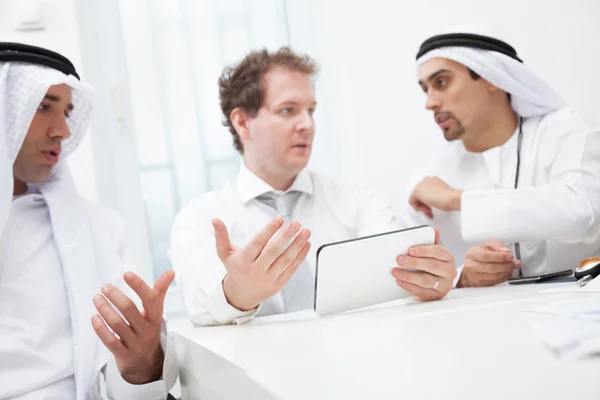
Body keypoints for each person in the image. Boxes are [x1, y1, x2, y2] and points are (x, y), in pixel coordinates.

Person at [169, 47, 457, 326]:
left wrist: (429, 279)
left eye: (311, 110)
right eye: (287, 110)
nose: (307, 124)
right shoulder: (200, 220)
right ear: (243, 122)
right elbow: (202, 310)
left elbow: (399, 284)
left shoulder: (360, 203)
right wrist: (239, 293)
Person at [0, 43, 177, 399]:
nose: (62, 131)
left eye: (68, 112)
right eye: (43, 106)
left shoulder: (99, 229)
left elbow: (122, 383)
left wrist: (142, 365)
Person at [403, 27, 600, 288]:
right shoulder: (429, 180)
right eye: (425, 89)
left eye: (441, 82)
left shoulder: (568, 130)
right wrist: (463, 276)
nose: (430, 102)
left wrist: (456, 199)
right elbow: (411, 273)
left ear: (490, 77)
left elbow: (583, 213)